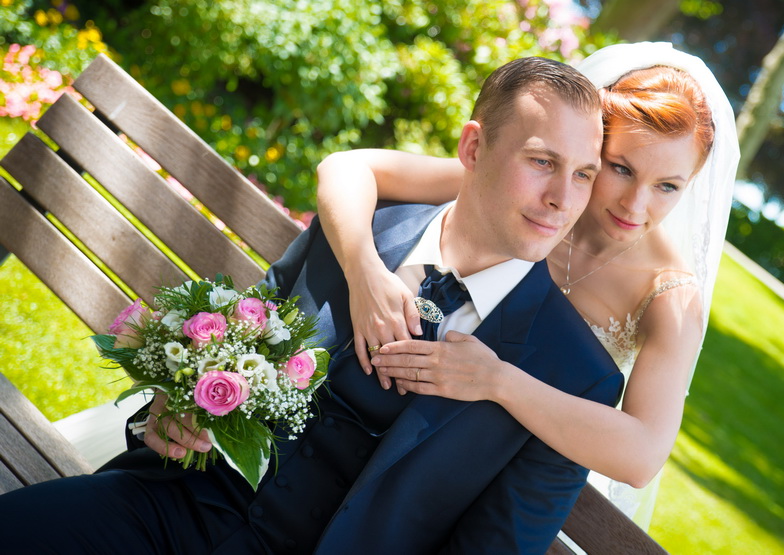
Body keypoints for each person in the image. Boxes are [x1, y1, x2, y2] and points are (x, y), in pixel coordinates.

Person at [0, 57, 625, 554]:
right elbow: (231, 352)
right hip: (173, 511)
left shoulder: (571, 377)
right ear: (473, 147)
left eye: (583, 175)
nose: (561, 199)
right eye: (542, 162)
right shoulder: (361, 230)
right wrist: (171, 414)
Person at [314, 42, 740, 529]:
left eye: (668, 186)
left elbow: (642, 455)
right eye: (620, 169)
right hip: (403, 425)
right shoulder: (528, 196)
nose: (635, 206)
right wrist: (364, 271)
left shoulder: (669, 296)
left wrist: (497, 381)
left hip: (520, 471)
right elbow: (346, 168)